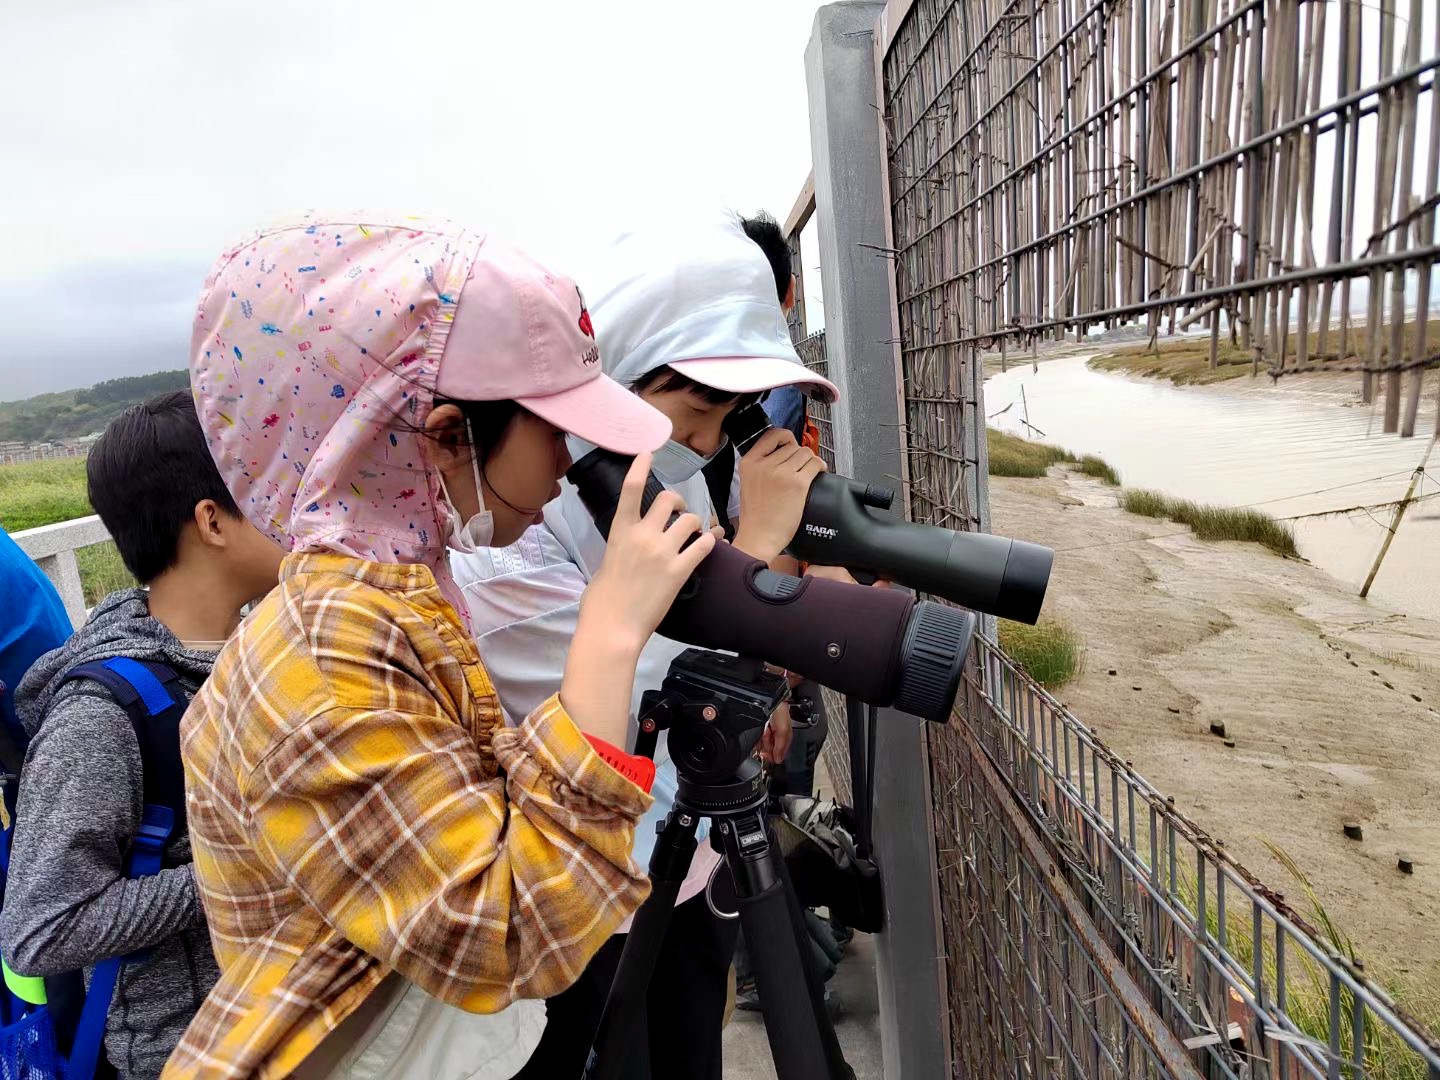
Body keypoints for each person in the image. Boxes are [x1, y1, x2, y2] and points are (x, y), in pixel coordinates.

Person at [165, 212, 713, 1080]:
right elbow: (507, 933)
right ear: (445, 433)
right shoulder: (329, 656)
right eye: (556, 431)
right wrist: (610, 632)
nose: (573, 466)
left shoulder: (397, 589)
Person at [453, 208, 838, 1080]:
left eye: (729, 413)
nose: (706, 441)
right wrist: (764, 549)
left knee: (691, 1049)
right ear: (616, 370)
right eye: (695, 406)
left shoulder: (662, 469)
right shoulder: (514, 516)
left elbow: (690, 617)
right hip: (581, 894)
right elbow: (635, 690)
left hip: (689, 848)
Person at [0, 391, 284, 1079]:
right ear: (212, 521)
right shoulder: (106, 715)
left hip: (276, 1022)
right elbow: (41, 927)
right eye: (272, 492)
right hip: (188, 1053)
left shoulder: (252, 652)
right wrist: (252, 871)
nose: (300, 516)